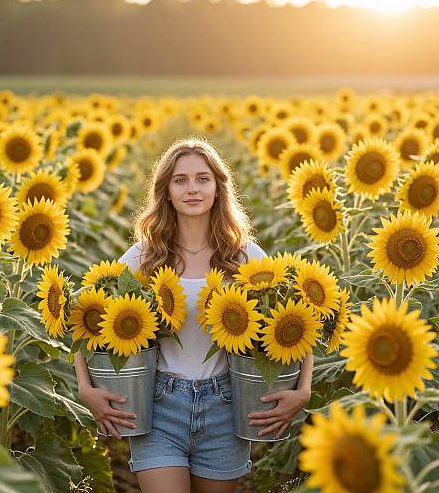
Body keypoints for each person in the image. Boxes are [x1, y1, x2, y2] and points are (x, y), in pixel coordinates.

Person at [74, 137, 313, 493]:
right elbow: (83, 317)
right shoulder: (144, 257)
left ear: (218, 188)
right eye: (180, 180)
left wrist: (303, 390)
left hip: (226, 407)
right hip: (157, 407)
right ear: (166, 191)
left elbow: (297, 322)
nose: (192, 189)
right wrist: (84, 388)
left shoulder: (245, 257)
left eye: (203, 179)